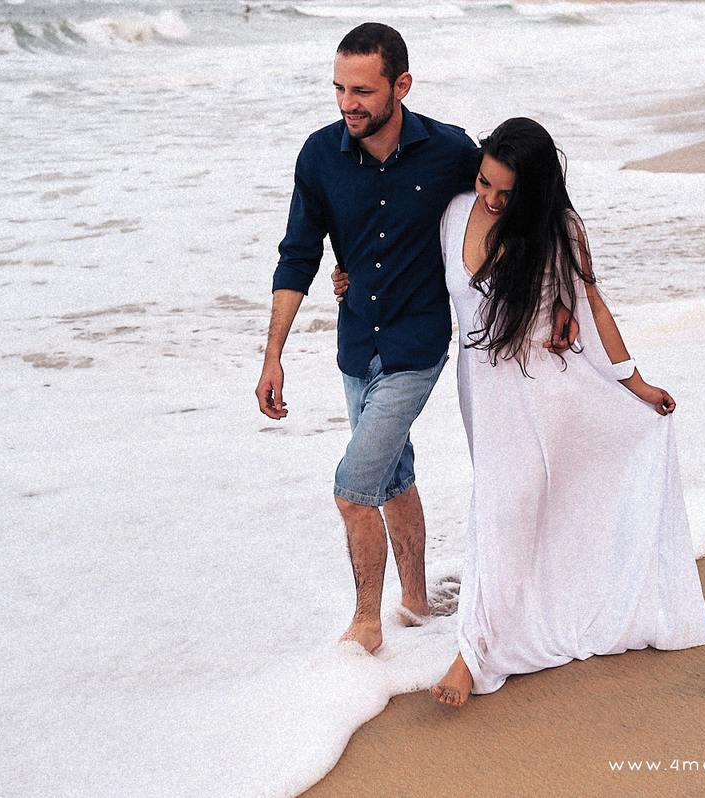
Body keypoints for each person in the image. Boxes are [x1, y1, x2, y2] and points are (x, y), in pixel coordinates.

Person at [426, 118, 705, 705]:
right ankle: (539, 609)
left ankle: (473, 654)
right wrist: (351, 281)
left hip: (549, 390)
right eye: (485, 183)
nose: (492, 200)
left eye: (508, 194)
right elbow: (423, 286)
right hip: (483, 388)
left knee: (505, 507)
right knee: (514, 505)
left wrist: (635, 382)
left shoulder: (560, 230)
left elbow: (592, 304)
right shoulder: (455, 212)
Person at [255, 23, 480, 654]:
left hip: (417, 347)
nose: (347, 103)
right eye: (338, 89)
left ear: (400, 86)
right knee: (392, 478)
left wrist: (554, 294)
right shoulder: (320, 156)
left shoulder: (451, 152)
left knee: (353, 489)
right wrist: (273, 355)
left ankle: (366, 627)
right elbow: (297, 255)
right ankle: (415, 604)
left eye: (362, 90)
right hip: (356, 347)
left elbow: (511, 199)